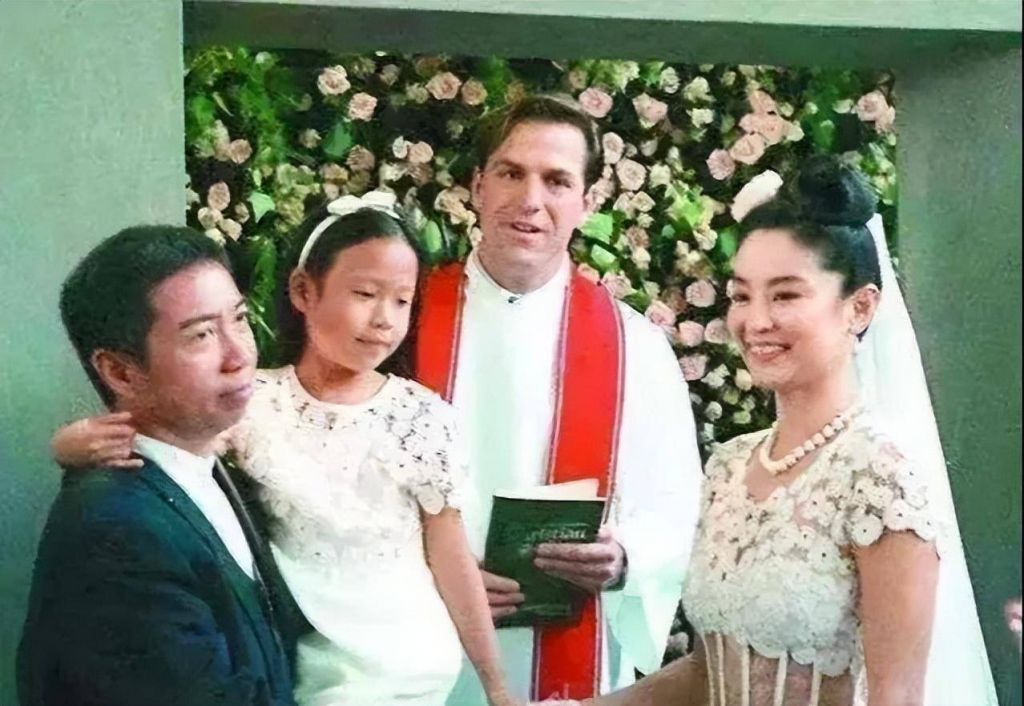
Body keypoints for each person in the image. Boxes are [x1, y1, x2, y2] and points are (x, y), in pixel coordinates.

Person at [544, 156, 997, 705]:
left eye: (785, 295)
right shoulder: (730, 466)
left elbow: (897, 696)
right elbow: (712, 670)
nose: (755, 321)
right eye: (741, 295)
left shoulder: (880, 477)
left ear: (859, 307)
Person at [52, 195, 517, 706]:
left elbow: (449, 555)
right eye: (365, 293)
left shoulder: (421, 417)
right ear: (302, 290)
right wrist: (69, 448)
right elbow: (161, 443)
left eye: (403, 301)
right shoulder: (250, 404)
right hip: (312, 669)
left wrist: (496, 686)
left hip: (414, 658)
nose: (384, 319)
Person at [413, 94, 704, 704]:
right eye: (510, 173)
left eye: (557, 181)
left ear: (587, 202)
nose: (530, 200)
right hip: (416, 644)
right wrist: (432, 575)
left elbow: (677, 505)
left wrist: (623, 557)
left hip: (570, 654)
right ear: (477, 186)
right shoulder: (402, 322)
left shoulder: (634, 346)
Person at [19, 226, 296, 705]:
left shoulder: (206, 462)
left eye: (239, 319)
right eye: (202, 335)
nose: (239, 355)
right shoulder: (116, 533)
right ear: (121, 372)